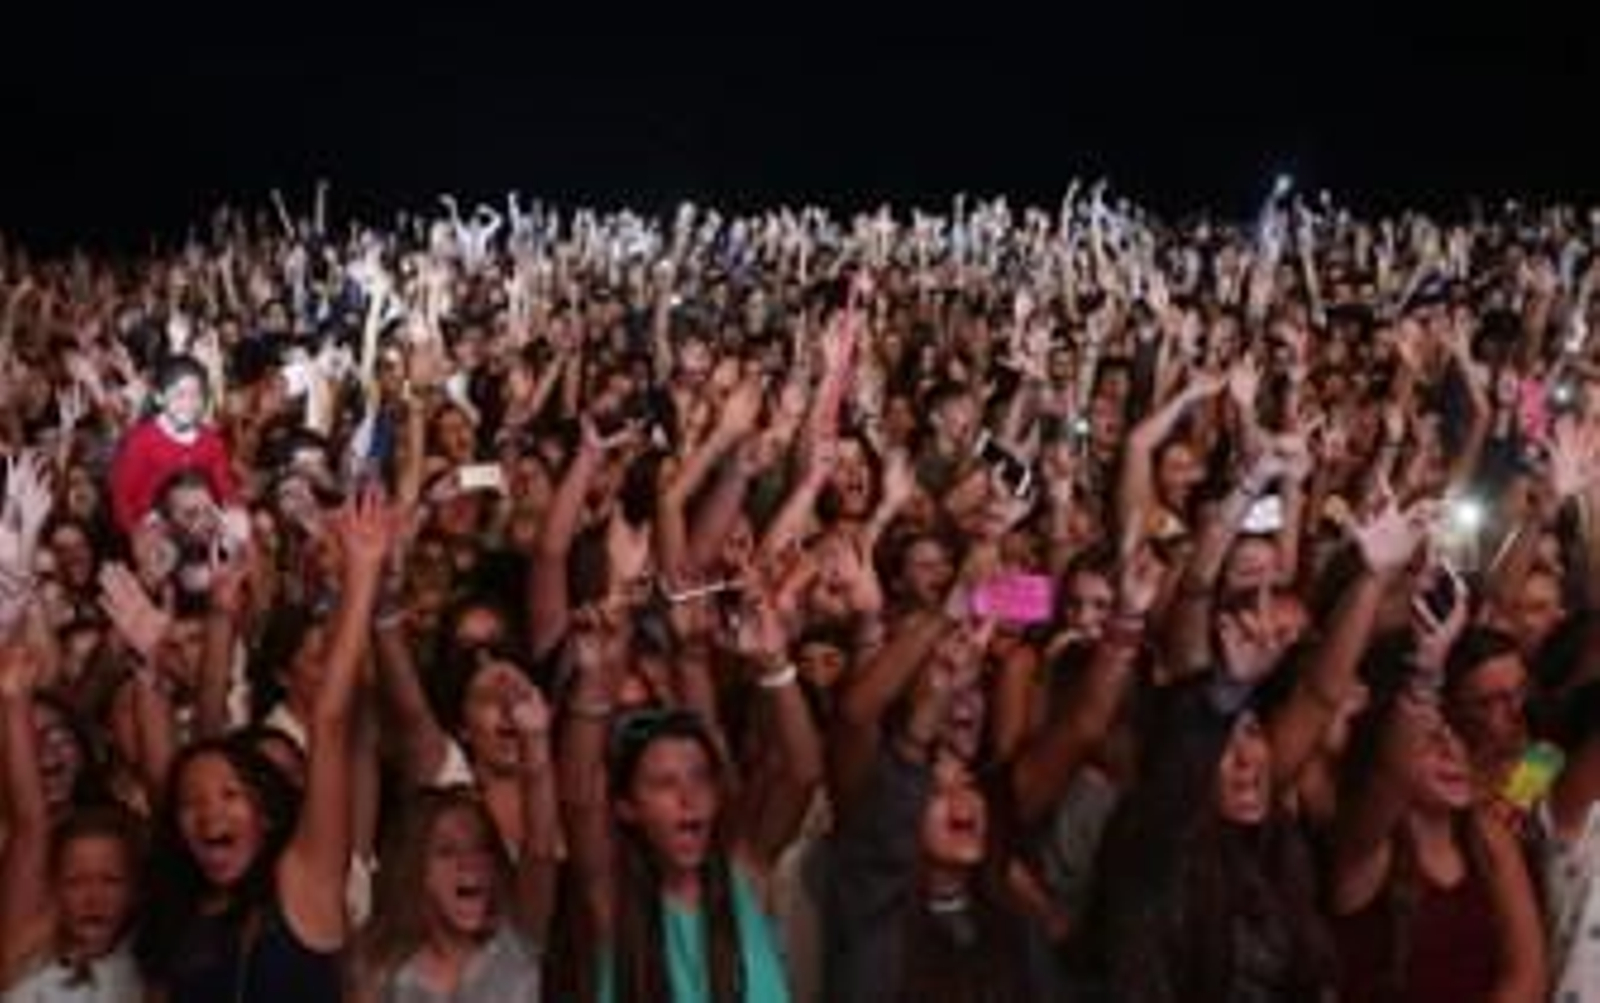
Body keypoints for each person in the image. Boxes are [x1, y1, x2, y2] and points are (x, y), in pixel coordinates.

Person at [132, 489, 395, 1002]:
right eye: (192, 805)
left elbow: (332, 718)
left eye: (230, 796)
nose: (210, 814)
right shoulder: (182, 919)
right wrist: (147, 676)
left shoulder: (305, 882)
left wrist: (362, 576)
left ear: (267, 812)